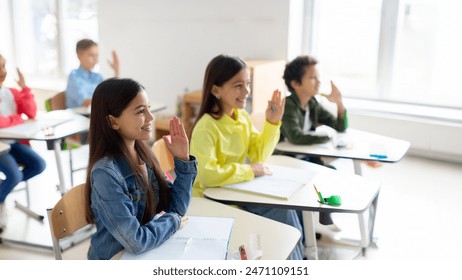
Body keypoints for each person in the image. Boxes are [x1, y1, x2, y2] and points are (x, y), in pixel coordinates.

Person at [190, 54, 304, 260]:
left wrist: (272, 123)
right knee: (283, 215)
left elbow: (258, 155)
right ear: (216, 90)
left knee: (288, 210)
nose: (246, 92)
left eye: (247, 84)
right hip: (211, 198)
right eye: (238, 86)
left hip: (233, 191)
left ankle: (299, 261)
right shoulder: (206, 127)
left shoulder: (241, 117)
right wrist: (249, 170)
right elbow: (207, 176)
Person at [84, 78, 197, 260]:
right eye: (140, 111)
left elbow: (176, 207)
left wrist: (183, 159)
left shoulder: (146, 156)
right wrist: (173, 221)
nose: (151, 117)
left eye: (149, 108)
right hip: (114, 259)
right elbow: (136, 241)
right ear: (113, 122)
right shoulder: (105, 174)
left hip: (142, 255)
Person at [281, 55, 348, 236]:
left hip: (305, 156)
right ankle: (306, 228)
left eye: (318, 77)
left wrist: (339, 103)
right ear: (295, 83)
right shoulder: (288, 105)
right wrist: (324, 138)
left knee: (331, 171)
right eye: (312, 77)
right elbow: (295, 136)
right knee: (315, 178)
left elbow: (339, 126)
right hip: (286, 160)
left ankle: (321, 220)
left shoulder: (312, 103)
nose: (318, 82)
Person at [0, 54, 46, 233]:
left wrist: (24, 87)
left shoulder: (10, 92)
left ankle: (3, 192)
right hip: (0, 148)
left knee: (39, 164)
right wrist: (17, 118)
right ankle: (3, 198)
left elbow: (32, 112)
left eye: (4, 67)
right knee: (14, 176)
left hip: (14, 142)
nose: (3, 72)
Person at [65, 39, 120, 109]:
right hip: (78, 116)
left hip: (94, 113)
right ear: (79, 55)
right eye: (91, 55)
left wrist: (117, 71)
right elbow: (86, 102)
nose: (96, 60)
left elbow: (109, 92)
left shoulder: (97, 77)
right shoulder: (74, 76)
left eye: (97, 56)